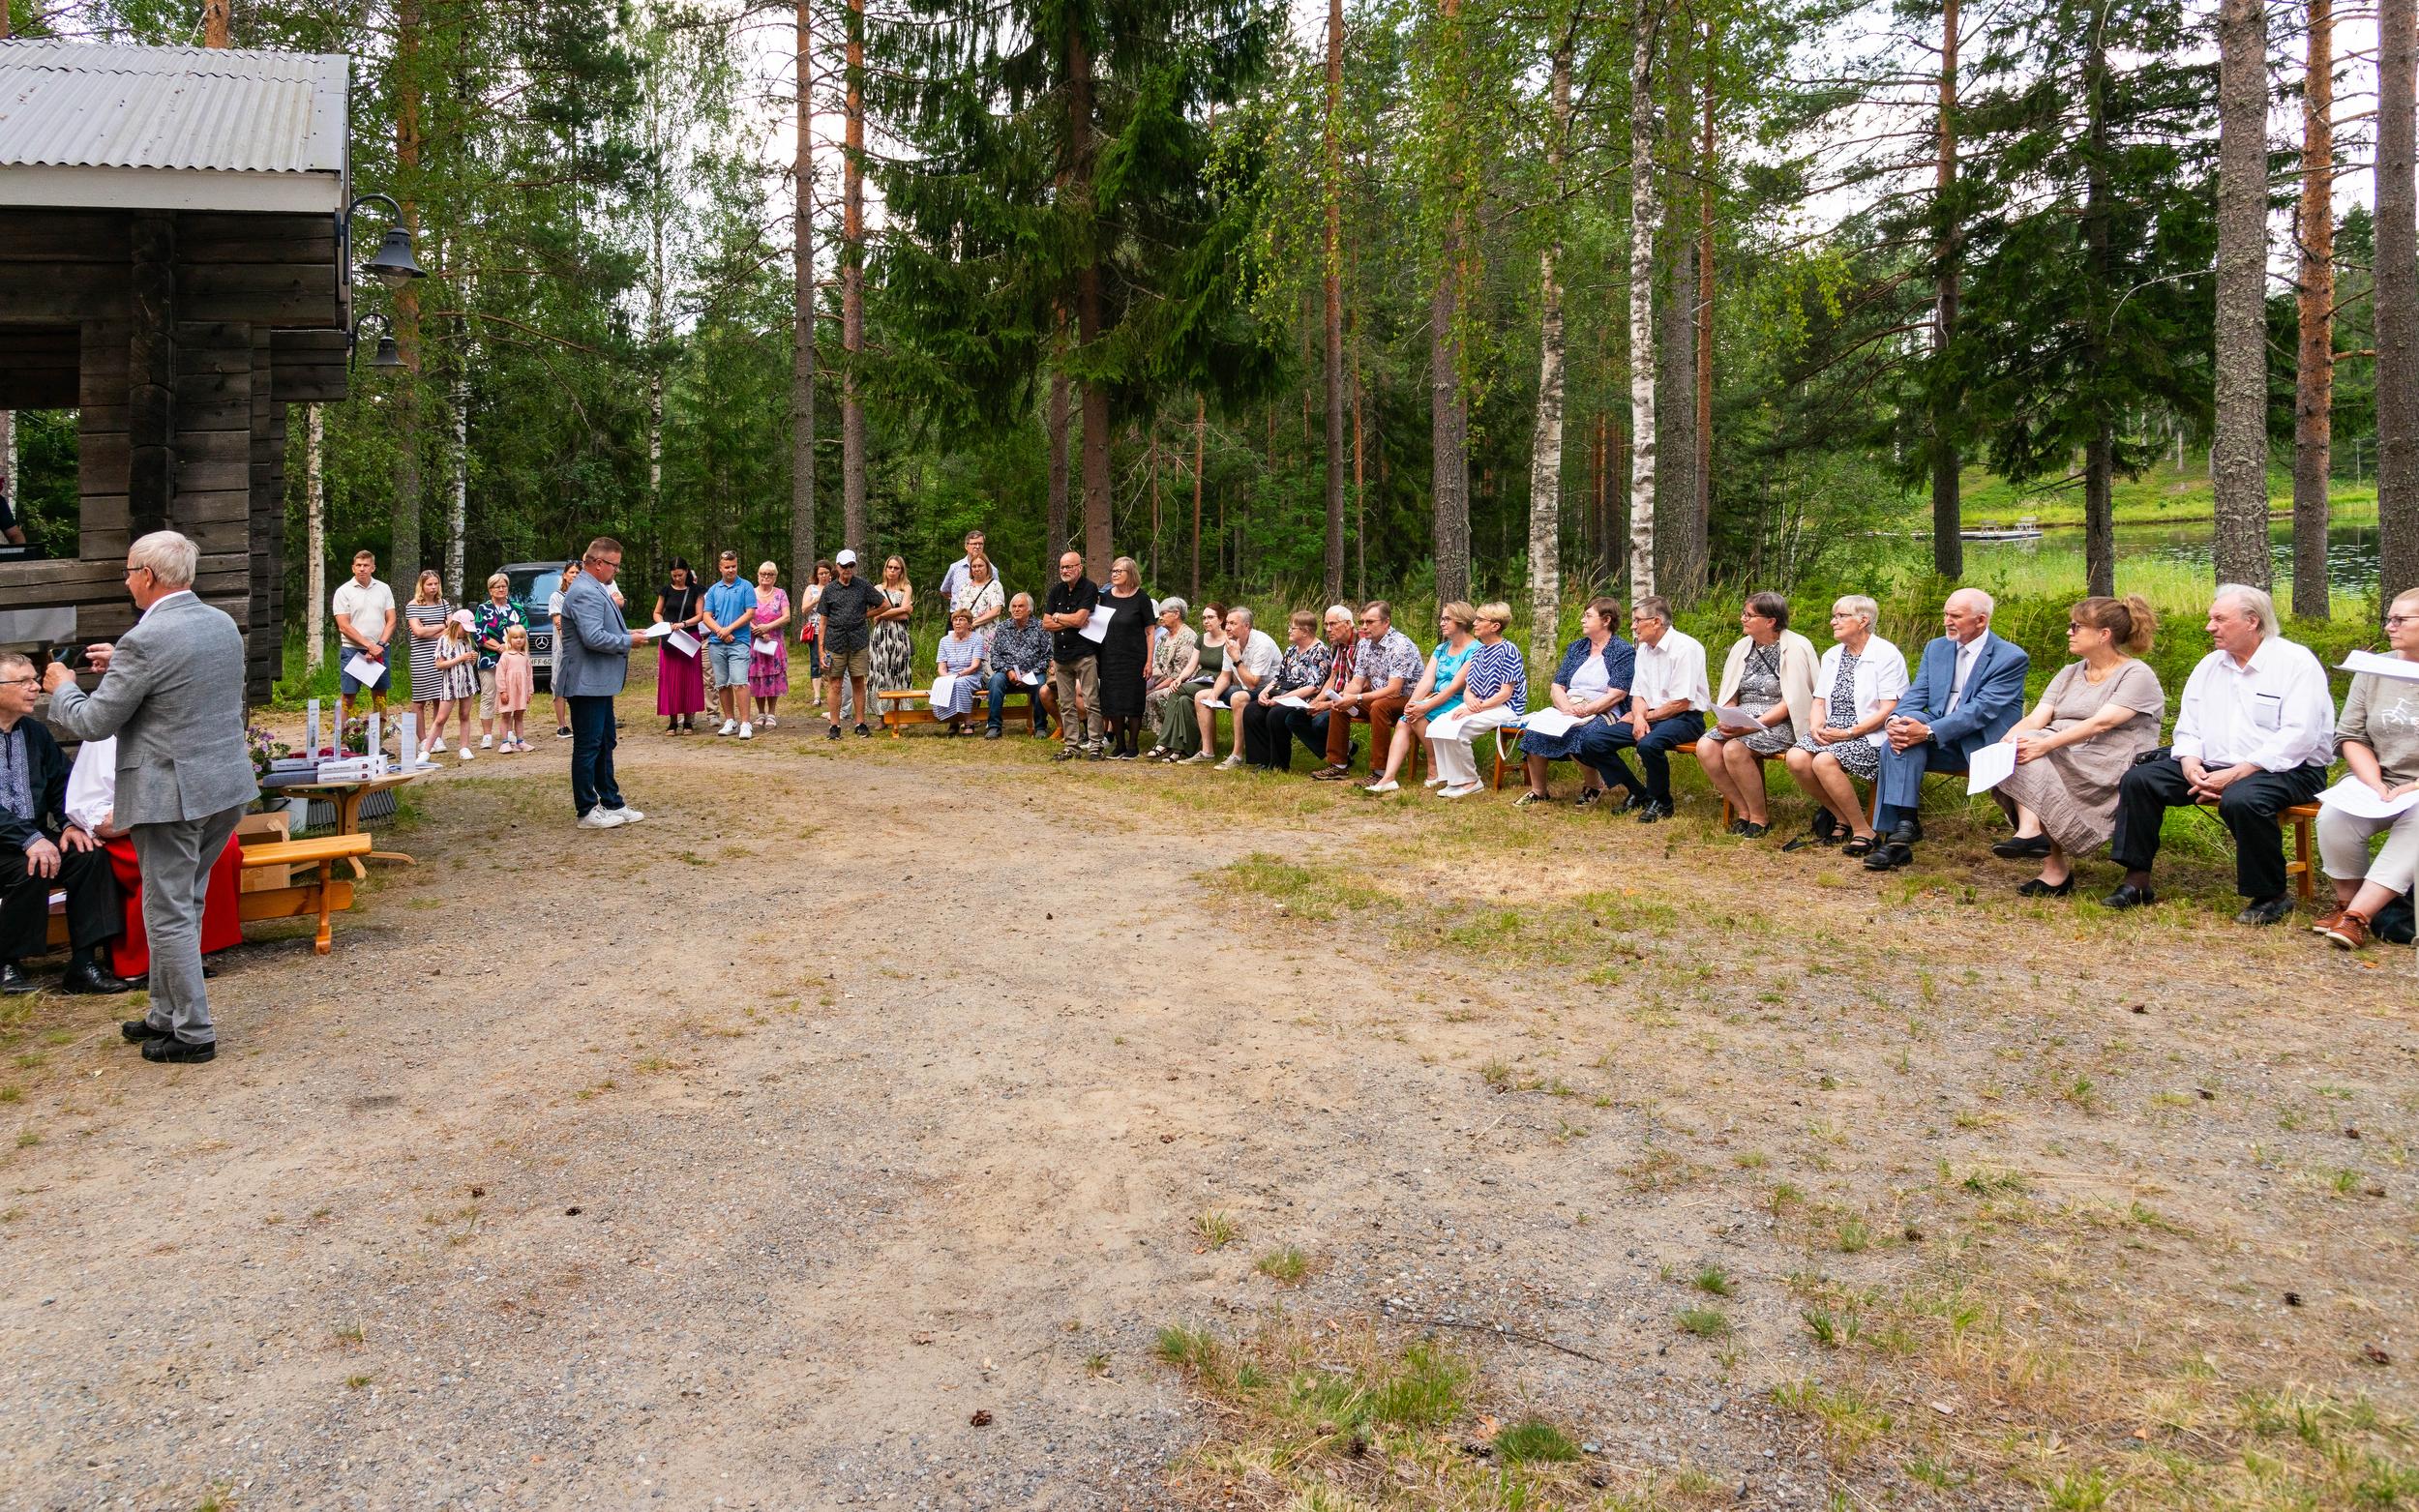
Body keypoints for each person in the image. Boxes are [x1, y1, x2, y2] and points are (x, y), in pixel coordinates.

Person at [43, 529, 260, 1062]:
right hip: (224, 787)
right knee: (185, 902)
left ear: (147, 575)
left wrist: (62, 687)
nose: (125, 582)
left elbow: (93, 723)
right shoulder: (220, 623)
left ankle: (193, 1032)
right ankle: (165, 1013)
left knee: (168, 913)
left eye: (127, 572)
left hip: (171, 795)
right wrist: (121, 665)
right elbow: (180, 689)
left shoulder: (144, 640)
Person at [2106, 584, 2334, 923]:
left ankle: (2271, 896)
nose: (2209, 626)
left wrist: (2238, 773)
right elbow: (2189, 726)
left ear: (2252, 622)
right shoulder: (2210, 665)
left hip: (2289, 769)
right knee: (2141, 780)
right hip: (2213, 765)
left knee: (2243, 799)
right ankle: (2136, 881)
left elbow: (2299, 736)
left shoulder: (2296, 663)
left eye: (2219, 619)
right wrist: (2190, 763)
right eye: (2211, 618)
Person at [1988, 595, 2165, 896]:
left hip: (2109, 759)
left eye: (2076, 626)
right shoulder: (2069, 672)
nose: (2069, 632)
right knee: (2021, 750)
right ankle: (2048, 860)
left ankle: (2034, 837)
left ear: (2103, 634)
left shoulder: (2136, 674)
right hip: (2063, 749)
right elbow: (2037, 718)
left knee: (2033, 750)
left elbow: (2102, 723)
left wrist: (2044, 744)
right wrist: (2007, 741)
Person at [1861, 588, 2029, 870]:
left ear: (1981, 620)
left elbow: (1981, 711)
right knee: (1898, 741)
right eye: (1945, 614)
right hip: (1939, 739)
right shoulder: (1936, 648)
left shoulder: (2010, 657)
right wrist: (1895, 721)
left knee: (1911, 737)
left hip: (1979, 745)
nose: (1947, 621)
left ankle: (1900, 833)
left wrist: (1927, 731)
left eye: (1955, 616)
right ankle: (1902, 831)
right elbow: (1918, 693)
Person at [64, 733, 241, 984]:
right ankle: (144, 962)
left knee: (226, 845)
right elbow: (95, 813)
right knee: (167, 859)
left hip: (180, 824)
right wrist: (159, 811)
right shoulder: (107, 737)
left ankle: (191, 952)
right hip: (131, 832)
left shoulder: (181, 726)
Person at [0, 651, 125, 995]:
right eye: (23, 681)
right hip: (11, 845)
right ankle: (7, 963)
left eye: (34, 679)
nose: (35, 687)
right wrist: (29, 839)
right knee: (31, 866)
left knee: (89, 855)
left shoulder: (34, 733)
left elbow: (63, 783)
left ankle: (84, 964)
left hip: (35, 836)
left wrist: (70, 825)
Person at [2313, 587, 2419, 948]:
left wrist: (2413, 787)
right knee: (2334, 817)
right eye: (2389, 618)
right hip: (2379, 776)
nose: (2390, 626)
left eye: (2400, 620)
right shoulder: (2375, 668)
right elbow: (2351, 735)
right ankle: (2346, 904)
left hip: (2417, 788)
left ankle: (2358, 917)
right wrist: (2374, 783)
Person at [1780, 596, 1908, 855]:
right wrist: (1816, 726)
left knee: (1823, 761)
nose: (1833, 622)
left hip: (1870, 731)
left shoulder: (1886, 654)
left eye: (1841, 616)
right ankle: (1842, 816)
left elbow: (1890, 708)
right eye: (1834, 616)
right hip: (1833, 729)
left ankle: (1864, 830)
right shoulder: (1832, 655)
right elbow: (1819, 701)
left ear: (1863, 621)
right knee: (1796, 758)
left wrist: (1850, 732)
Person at [1696, 592, 1817, 837]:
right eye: (1744, 613)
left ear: (1770, 621)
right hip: (1743, 718)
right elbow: (1731, 692)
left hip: (1782, 721)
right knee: (1705, 746)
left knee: (1734, 749)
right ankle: (1744, 811)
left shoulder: (1796, 647)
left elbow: (1792, 702)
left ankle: (1760, 819)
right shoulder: (1742, 647)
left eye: (1749, 615)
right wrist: (1727, 717)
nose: (1742, 618)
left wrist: (1752, 726)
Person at [555, 536, 653, 829]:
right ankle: (587, 809)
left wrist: (629, 632)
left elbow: (601, 628)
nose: (616, 570)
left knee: (605, 742)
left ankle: (612, 801)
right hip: (585, 682)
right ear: (598, 563)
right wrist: (628, 642)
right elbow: (593, 637)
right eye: (614, 565)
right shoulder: (584, 591)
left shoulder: (595, 587)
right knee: (588, 746)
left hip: (598, 682)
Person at [1594, 596, 1709, 822]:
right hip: (1649, 716)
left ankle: (1662, 801)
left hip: (1685, 718)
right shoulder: (1644, 649)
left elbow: (1681, 703)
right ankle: (1638, 792)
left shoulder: (1686, 648)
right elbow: (1638, 694)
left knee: (1648, 744)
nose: (1632, 626)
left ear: (1656, 622)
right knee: (1594, 742)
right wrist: (1639, 717)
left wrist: (1643, 718)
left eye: (1638, 620)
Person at [1513, 597, 1633, 808]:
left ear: (1606, 620)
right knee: (1535, 730)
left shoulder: (1622, 651)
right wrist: (1567, 708)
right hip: (1569, 708)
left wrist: (1585, 710)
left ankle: (1593, 785)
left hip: (1604, 711)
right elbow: (1557, 686)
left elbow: (1617, 694)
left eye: (1588, 616)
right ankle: (1539, 791)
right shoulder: (1577, 648)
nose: (1582, 620)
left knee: (1581, 733)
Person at [1363, 603, 1478, 794]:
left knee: (1417, 716)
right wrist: (1411, 704)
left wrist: (1424, 707)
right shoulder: (1442, 648)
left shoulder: (1475, 649)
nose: (1442, 623)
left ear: (1461, 620)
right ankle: (1388, 778)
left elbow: (1454, 687)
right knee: (1405, 719)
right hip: (1435, 696)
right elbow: (1427, 680)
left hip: (1460, 699)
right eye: (1442, 618)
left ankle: (1434, 763)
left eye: (1447, 619)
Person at [1312, 602, 1421, 782]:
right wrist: (1345, 696)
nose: (1364, 626)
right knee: (1339, 706)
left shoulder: (1401, 645)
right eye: (1362, 622)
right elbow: (1357, 681)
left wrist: (1357, 698)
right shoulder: (1364, 644)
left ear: (1386, 622)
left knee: (1379, 706)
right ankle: (1338, 765)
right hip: (1378, 697)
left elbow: (1394, 690)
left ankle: (1380, 771)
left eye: (1370, 622)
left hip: (1407, 699)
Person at [1425, 603, 1526, 799]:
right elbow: (1468, 688)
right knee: (1437, 726)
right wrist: (1470, 701)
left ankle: (1471, 781)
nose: (1475, 623)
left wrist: (1476, 708)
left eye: (1480, 620)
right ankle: (1454, 780)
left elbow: (1505, 693)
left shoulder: (1509, 650)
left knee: (1459, 731)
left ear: (1495, 626)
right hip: (1479, 704)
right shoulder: (1479, 651)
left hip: (1505, 707)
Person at [1241, 609, 1334, 771]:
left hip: (1304, 698)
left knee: (1276, 714)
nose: (1289, 631)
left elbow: (1314, 686)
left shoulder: (1319, 651)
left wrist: (1281, 700)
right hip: (1283, 693)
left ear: (1305, 631)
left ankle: (1279, 764)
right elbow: (1279, 677)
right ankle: (1263, 760)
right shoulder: (1291, 650)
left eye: (1292, 628)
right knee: (1252, 710)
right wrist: (1265, 692)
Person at [1199, 607, 1284, 768]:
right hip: (1245, 687)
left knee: (1238, 697)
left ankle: (1236, 755)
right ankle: (1207, 752)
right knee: (1201, 696)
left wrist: (1236, 658)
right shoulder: (1230, 642)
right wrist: (1214, 694)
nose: (1227, 627)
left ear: (1247, 626)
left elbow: (1253, 683)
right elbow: (1225, 676)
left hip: (1268, 690)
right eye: (1227, 623)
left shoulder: (1262, 644)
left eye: (1233, 623)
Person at [819, 549, 887, 739]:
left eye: (851, 565)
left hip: (858, 641)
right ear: (837, 567)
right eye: (844, 566)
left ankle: (860, 723)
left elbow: (884, 605)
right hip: (835, 641)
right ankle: (834, 725)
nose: (847, 569)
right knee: (835, 683)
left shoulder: (863, 585)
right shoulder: (829, 590)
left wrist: (865, 615)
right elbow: (822, 622)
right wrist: (821, 650)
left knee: (858, 681)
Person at [1044, 551, 1105, 759]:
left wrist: (1058, 616)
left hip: (1084, 654)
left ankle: (1096, 745)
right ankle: (1072, 746)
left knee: (1091, 701)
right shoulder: (1056, 591)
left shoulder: (1089, 588)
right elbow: (1046, 623)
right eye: (1062, 567)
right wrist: (1069, 620)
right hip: (1061, 655)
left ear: (1080, 567)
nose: (1065, 570)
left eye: (1069, 566)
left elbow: (1080, 620)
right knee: (1066, 703)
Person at [1093, 557, 1155, 759]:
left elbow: (1150, 632)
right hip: (1109, 657)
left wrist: (1149, 661)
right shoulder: (1105, 598)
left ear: (1131, 573)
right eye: (1113, 570)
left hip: (1134, 658)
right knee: (1112, 701)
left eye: (1119, 571)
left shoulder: (1142, 598)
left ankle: (1132, 746)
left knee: (1133, 702)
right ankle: (1119, 745)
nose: (1114, 574)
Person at [1289, 606, 1360, 771]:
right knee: (1295, 718)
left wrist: (1326, 705)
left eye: (1332, 624)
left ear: (1348, 623)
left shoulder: (1362, 645)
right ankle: (1344, 752)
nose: (1328, 629)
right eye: (1326, 624)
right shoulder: (1336, 643)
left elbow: (1362, 686)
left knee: (1320, 722)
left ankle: (1338, 759)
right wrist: (1316, 702)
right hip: (1335, 697)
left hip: (1355, 700)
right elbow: (1333, 677)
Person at [1154, 603, 1229, 761]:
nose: (1206, 621)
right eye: (1204, 618)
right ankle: (1181, 749)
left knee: (1177, 691)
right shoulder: (1201, 639)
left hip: (1219, 682)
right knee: (1183, 701)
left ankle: (1163, 742)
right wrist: (1179, 678)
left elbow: (1229, 671)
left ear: (1221, 619)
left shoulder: (1228, 640)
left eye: (1210, 617)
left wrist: (1179, 684)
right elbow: (1191, 665)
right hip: (1201, 681)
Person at [699, 549, 760, 738]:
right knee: (722, 684)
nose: (731, 570)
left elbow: (750, 613)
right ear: (720, 568)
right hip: (716, 643)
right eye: (727, 567)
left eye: (734, 566)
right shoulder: (714, 590)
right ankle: (730, 721)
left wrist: (729, 629)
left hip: (739, 642)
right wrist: (720, 631)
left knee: (740, 682)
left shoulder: (746, 586)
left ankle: (746, 723)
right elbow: (706, 616)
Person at [333, 549, 396, 728]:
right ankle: (343, 740)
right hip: (353, 650)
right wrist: (369, 645)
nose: (362, 569)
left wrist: (379, 645)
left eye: (366, 565)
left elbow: (391, 620)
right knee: (348, 696)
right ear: (353, 568)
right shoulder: (343, 591)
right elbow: (344, 626)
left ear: (373, 568)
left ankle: (377, 739)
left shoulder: (383, 588)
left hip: (380, 649)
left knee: (380, 696)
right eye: (359, 565)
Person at [985, 592, 1054, 739]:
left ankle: (1040, 727)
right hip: (1007, 673)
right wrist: (1008, 671)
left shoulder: (1040, 627)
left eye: (1020, 606)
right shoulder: (1003, 627)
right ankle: (994, 726)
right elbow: (995, 655)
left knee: (1041, 685)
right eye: (1014, 606)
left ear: (1029, 609)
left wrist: (1030, 674)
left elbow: (1047, 655)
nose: (1016, 609)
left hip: (1033, 672)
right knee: (995, 681)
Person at [470, 573, 526, 751]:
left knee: (510, 695)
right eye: (497, 586)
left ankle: (508, 731)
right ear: (490, 590)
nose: (501, 589)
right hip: (490, 659)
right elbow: (479, 635)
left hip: (513, 660)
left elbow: (525, 631)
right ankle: (487, 735)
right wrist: (500, 648)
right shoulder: (483, 609)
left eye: (504, 586)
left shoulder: (517, 607)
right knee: (489, 694)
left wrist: (510, 648)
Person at [654, 557, 706, 734]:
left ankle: (688, 720)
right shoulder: (666, 590)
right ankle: (673, 721)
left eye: (680, 575)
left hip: (689, 637)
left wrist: (683, 624)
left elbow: (700, 615)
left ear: (687, 572)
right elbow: (657, 612)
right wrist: (664, 624)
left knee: (689, 679)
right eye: (674, 575)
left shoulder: (697, 590)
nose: (677, 578)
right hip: (669, 638)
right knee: (670, 680)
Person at [1143, 598, 1201, 757]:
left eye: (1163, 614)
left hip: (1184, 682)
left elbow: (1179, 673)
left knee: (1154, 696)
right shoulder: (1164, 637)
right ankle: (1167, 740)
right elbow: (1158, 666)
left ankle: (1168, 741)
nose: (1160, 618)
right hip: (1164, 680)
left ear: (1176, 614)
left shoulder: (1188, 636)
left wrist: (1153, 689)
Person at [403, 569, 450, 753]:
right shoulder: (413, 605)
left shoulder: (444, 604)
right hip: (421, 657)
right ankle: (423, 739)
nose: (433, 587)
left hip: (441, 655)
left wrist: (431, 629)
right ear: (421, 586)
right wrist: (441, 626)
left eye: (436, 584)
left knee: (440, 697)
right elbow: (418, 632)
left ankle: (436, 737)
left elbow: (452, 628)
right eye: (429, 584)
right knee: (420, 699)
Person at [431, 610, 481, 760]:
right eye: (464, 629)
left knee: (465, 715)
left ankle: (464, 747)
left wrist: (472, 658)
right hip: (450, 684)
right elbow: (439, 665)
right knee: (441, 718)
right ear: (456, 625)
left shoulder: (467, 640)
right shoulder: (444, 640)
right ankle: (427, 749)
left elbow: (470, 663)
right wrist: (460, 658)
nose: (467, 632)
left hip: (467, 682)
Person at [749, 561, 792, 726]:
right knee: (757, 676)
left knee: (773, 676)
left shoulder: (781, 594)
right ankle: (760, 713)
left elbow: (786, 617)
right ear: (758, 575)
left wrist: (767, 627)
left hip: (774, 642)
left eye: (770, 574)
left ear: (775, 577)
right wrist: (757, 630)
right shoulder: (750, 593)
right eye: (763, 574)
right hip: (755, 641)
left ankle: (772, 713)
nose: (766, 577)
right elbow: (743, 615)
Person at [870, 556, 914, 715]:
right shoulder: (877, 589)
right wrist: (902, 609)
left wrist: (883, 614)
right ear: (885, 569)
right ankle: (882, 715)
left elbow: (904, 616)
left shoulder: (906, 588)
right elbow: (874, 615)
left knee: (900, 672)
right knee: (881, 672)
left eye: (896, 568)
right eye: (890, 567)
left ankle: (902, 713)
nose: (892, 571)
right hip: (880, 637)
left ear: (901, 571)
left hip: (899, 635)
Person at [932, 608, 986, 733]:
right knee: (941, 683)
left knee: (959, 683)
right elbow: (941, 667)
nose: (957, 622)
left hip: (973, 676)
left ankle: (968, 722)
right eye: (955, 620)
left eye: (961, 620)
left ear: (969, 623)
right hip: (950, 676)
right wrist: (947, 677)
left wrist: (959, 675)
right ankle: (953, 721)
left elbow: (975, 666)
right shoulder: (944, 641)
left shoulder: (977, 639)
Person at [549, 562, 579, 739]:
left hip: (580, 648)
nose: (574, 575)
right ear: (565, 575)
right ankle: (562, 725)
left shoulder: (583, 595)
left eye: (577, 572)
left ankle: (579, 722)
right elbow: (559, 623)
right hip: (562, 647)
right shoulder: (557, 596)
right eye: (572, 572)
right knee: (559, 683)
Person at [494, 623, 535, 752]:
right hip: (508, 691)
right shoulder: (505, 656)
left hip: (521, 691)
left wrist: (530, 691)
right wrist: (502, 691)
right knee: (506, 716)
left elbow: (529, 675)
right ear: (509, 639)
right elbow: (500, 675)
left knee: (519, 716)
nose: (519, 640)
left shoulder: (525, 656)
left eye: (521, 637)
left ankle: (520, 741)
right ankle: (505, 742)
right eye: (515, 637)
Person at [952, 554, 1007, 649]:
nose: (977, 569)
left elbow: (996, 611)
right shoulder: (965, 587)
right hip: (966, 634)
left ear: (987, 567)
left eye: (980, 566)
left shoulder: (995, 585)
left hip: (987, 634)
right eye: (974, 566)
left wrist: (974, 623)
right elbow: (958, 613)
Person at [798, 560, 832, 713]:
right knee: (816, 661)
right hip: (816, 630)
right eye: (821, 573)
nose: (824, 576)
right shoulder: (811, 589)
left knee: (833, 662)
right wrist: (816, 599)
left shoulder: (835, 587)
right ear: (816, 575)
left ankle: (833, 692)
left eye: (826, 573)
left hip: (833, 631)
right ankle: (817, 696)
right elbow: (804, 610)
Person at [937, 529, 992, 604]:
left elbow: (995, 594)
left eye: (980, 544)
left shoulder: (992, 569)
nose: (978, 546)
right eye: (974, 543)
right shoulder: (955, 568)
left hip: (983, 611)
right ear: (966, 546)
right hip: (957, 611)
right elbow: (944, 590)